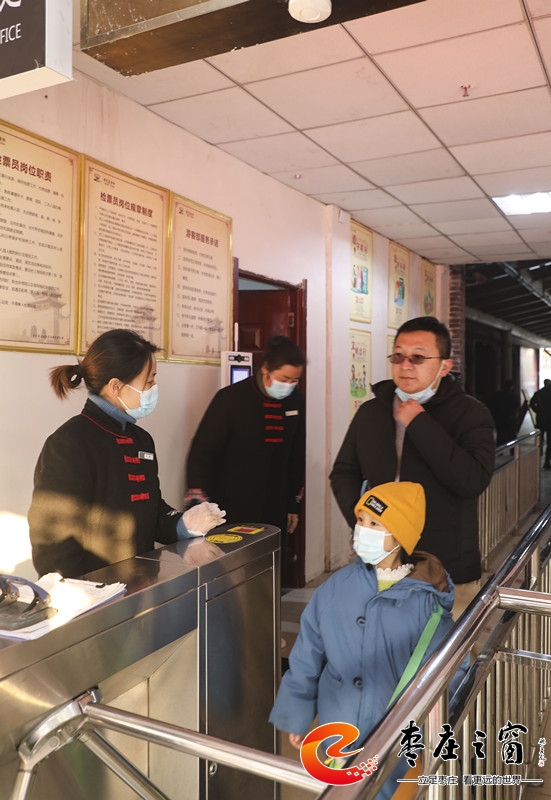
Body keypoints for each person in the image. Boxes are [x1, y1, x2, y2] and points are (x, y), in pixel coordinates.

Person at [269, 482, 465, 798]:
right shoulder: (335, 588)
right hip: (338, 729)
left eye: (375, 524)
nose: (362, 530)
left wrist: (439, 727)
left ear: (400, 536)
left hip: (395, 739)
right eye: (360, 520)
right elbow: (308, 653)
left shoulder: (426, 601)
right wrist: (297, 713)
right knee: (338, 791)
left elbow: (450, 668)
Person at [330, 316, 495, 619]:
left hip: (445, 568)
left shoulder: (471, 414)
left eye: (418, 357)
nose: (405, 365)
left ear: (444, 366)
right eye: (398, 356)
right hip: (381, 564)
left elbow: (471, 480)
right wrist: (365, 523)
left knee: (443, 649)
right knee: (380, 645)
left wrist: (419, 422)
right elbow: (344, 472)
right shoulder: (371, 412)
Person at [29, 329, 225, 579]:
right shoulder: (70, 443)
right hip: (96, 592)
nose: (154, 388)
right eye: (149, 382)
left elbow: (151, 513)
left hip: (140, 584)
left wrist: (184, 524)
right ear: (116, 387)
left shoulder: (141, 439)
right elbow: (53, 541)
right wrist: (77, 592)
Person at [185, 335, 306, 549]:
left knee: (270, 559)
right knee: (232, 561)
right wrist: (199, 504)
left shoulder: (295, 400)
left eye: (294, 380)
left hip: (274, 504)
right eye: (284, 378)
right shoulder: (231, 399)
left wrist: (293, 505)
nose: (288, 385)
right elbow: (202, 453)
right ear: (266, 368)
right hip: (231, 505)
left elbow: (296, 455)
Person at [530, 379, 551, 468]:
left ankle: (539, 453)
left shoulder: (539, 393)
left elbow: (531, 404)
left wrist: (538, 411)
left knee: (540, 439)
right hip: (550, 420)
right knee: (550, 442)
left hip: (541, 419)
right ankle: (547, 462)